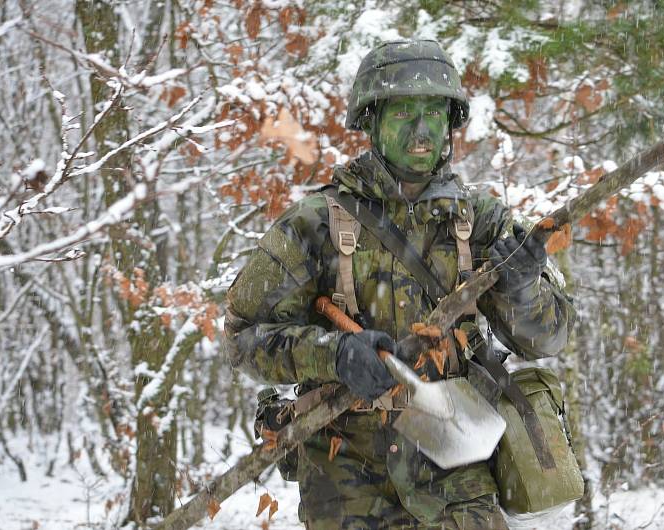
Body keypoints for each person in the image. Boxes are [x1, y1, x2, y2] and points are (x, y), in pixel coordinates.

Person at [222, 39, 575, 529]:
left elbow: (550, 338)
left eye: (433, 112)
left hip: (458, 482)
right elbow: (242, 338)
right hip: (345, 486)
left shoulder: (484, 221)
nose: (421, 129)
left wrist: (521, 286)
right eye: (403, 112)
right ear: (370, 122)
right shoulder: (315, 225)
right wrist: (335, 356)